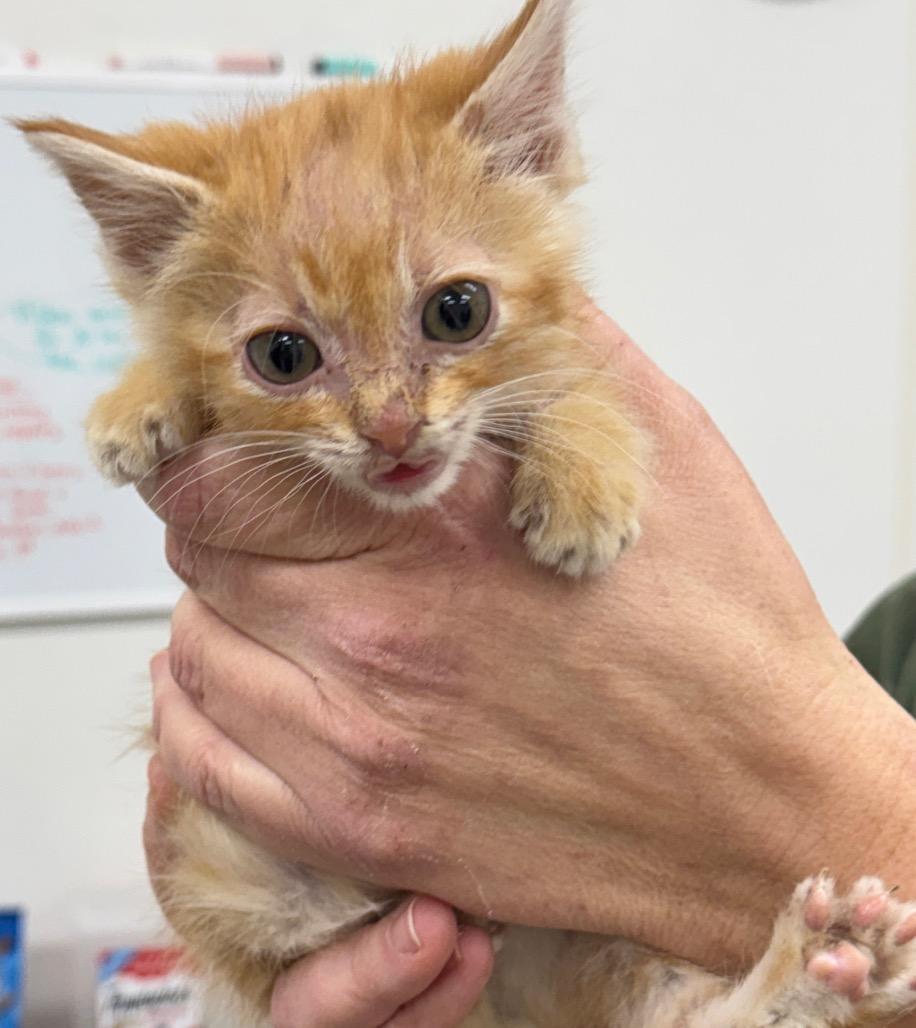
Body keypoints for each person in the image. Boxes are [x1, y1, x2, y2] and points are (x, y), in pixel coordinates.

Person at [141, 305, 916, 1027]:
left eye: (453, 313)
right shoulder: (895, 641)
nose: (391, 422)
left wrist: (864, 829)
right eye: (287, 355)